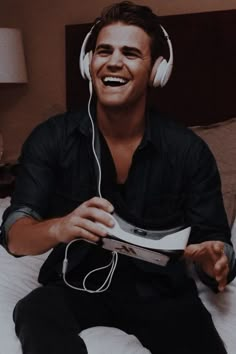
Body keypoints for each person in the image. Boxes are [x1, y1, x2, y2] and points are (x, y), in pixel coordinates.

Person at [0, 1, 235, 353]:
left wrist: (215, 259)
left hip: (162, 296)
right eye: (104, 50)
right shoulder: (51, 138)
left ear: (157, 70)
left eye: (130, 53)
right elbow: (16, 236)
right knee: (34, 311)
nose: (113, 62)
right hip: (73, 285)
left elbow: (218, 249)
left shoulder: (188, 151)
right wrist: (59, 227)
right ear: (88, 62)